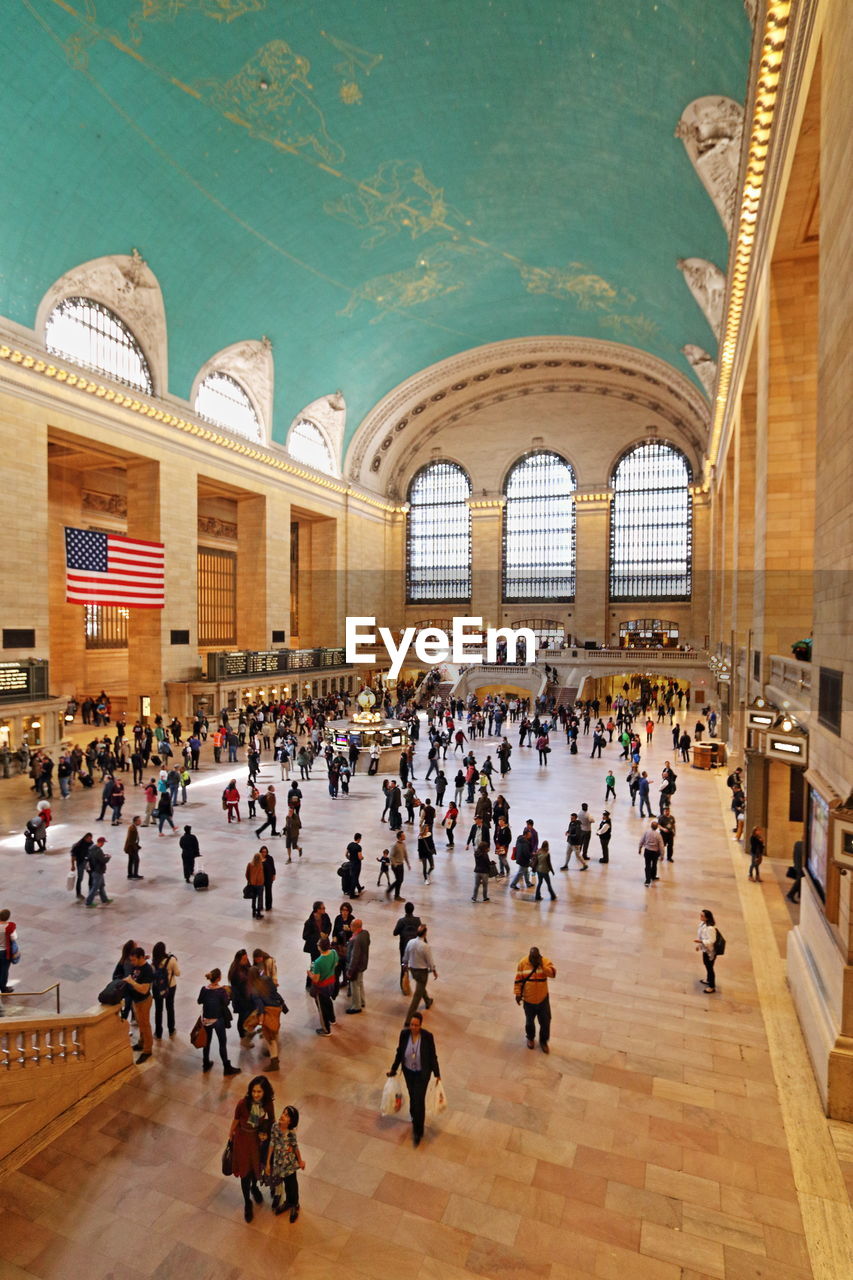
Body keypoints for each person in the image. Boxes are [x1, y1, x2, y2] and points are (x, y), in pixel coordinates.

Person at [386, 1012, 441, 1147]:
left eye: (416, 1025)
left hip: (422, 1074)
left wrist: (437, 1073)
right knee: (412, 1095)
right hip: (409, 1072)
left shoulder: (427, 1037)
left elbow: (433, 1056)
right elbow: (399, 1053)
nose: (413, 1027)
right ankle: (414, 1114)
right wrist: (393, 1069)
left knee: (419, 1100)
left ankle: (418, 1131)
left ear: (420, 1025)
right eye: (411, 1024)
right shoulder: (404, 1035)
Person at [228, 1076, 275, 1222]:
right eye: (253, 1091)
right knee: (245, 1172)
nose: (256, 1094)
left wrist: (265, 1131)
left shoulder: (267, 1104)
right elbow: (236, 1119)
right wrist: (231, 1134)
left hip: (256, 1141)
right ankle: (247, 1201)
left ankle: (254, 1187)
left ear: (265, 1092)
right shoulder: (243, 1103)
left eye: (259, 1092)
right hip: (242, 1140)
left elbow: (272, 1120)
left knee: (255, 1169)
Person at [198, 967, 242, 1075]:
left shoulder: (204, 989)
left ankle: (206, 1063)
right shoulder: (221, 991)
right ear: (218, 978)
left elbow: (199, 1001)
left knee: (206, 1043)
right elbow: (226, 1003)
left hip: (206, 1020)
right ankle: (227, 1068)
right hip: (218, 1020)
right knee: (222, 1044)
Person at [265, 1104, 305, 1221]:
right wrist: (268, 1162)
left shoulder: (291, 1133)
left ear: (291, 1121)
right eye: (283, 1112)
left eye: (287, 1115)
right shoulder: (275, 1127)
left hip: (290, 1165)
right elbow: (272, 1143)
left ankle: (294, 1204)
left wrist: (300, 1160)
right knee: (285, 1184)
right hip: (279, 1163)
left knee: (292, 1185)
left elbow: (295, 1147)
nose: (283, 1116)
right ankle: (288, 1201)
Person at [514, 945, 556, 1052]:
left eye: (536, 958)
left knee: (546, 1021)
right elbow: (518, 980)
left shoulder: (545, 962)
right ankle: (530, 1038)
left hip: (543, 1000)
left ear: (539, 956)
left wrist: (542, 966)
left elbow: (553, 974)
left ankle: (543, 1041)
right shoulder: (523, 963)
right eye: (532, 958)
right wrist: (517, 994)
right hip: (529, 1001)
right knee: (529, 1022)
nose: (534, 960)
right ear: (529, 957)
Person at [123, 946, 154, 1064]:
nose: (132, 962)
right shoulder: (136, 966)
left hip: (144, 1001)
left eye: (134, 960)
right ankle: (141, 1043)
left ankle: (147, 1050)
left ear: (141, 958)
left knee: (145, 1025)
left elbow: (144, 990)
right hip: (136, 1001)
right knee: (141, 1024)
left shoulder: (147, 970)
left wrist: (131, 982)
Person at [402, 923, 437, 1022]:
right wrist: (434, 971)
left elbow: (405, 957)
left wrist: (404, 966)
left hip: (413, 970)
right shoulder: (425, 946)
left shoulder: (410, 942)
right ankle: (408, 1020)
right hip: (422, 972)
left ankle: (428, 1001)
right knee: (417, 997)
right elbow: (430, 961)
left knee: (420, 987)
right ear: (425, 934)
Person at [308, 934, 338, 1036]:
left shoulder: (318, 962)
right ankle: (332, 1019)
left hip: (322, 987)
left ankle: (326, 1029)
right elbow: (336, 964)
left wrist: (310, 974)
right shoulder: (333, 952)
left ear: (320, 947)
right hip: (331, 982)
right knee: (328, 1001)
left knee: (322, 1008)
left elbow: (316, 979)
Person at [151, 940, 180, 1038]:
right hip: (170, 986)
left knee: (158, 1010)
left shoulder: (154, 961)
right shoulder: (171, 960)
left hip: (157, 988)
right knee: (170, 1007)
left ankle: (158, 1032)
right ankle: (171, 1029)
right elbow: (178, 973)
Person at [345, 917, 370, 1013]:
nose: (350, 926)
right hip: (363, 964)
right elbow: (368, 943)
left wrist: (350, 971)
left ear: (355, 927)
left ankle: (356, 1006)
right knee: (360, 983)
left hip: (356, 966)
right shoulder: (365, 933)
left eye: (351, 925)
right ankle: (362, 1001)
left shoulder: (355, 939)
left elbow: (354, 957)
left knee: (354, 985)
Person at [695, 909, 719, 993]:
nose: (700, 917)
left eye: (702, 916)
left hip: (710, 952)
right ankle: (708, 980)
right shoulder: (702, 924)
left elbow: (712, 940)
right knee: (706, 965)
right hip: (705, 949)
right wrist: (699, 945)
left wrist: (701, 942)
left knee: (709, 968)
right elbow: (701, 936)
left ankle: (711, 986)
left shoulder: (710, 928)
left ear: (707, 918)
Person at [85, 838, 112, 907]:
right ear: (101, 842)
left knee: (101, 885)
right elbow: (103, 861)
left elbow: (95, 857)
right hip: (98, 871)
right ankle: (88, 902)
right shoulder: (98, 850)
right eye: (103, 842)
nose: (103, 844)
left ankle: (104, 899)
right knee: (95, 887)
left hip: (94, 870)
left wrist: (103, 855)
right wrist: (108, 857)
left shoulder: (92, 848)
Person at [638, 821, 665, 887]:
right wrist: (662, 855)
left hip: (647, 851)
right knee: (654, 864)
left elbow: (641, 840)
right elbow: (661, 846)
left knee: (647, 865)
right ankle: (653, 876)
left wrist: (640, 848)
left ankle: (647, 880)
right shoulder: (658, 835)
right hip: (655, 852)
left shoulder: (647, 832)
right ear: (657, 827)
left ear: (651, 826)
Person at [70, 832, 95, 899]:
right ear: (85, 838)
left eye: (91, 838)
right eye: (89, 838)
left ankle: (91, 890)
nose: (90, 840)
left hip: (87, 862)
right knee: (80, 878)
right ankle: (78, 893)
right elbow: (73, 856)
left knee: (91, 875)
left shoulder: (91, 843)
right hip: (80, 862)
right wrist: (73, 865)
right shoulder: (78, 845)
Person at [0, 909, 17, 997]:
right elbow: (13, 938)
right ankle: (3, 988)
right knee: (4, 971)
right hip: (4, 953)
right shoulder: (9, 927)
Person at [245, 853, 265, 919]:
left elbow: (247, 874)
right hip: (260, 885)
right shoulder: (261, 865)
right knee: (259, 898)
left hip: (252, 884)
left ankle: (253, 912)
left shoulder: (250, 864)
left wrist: (250, 880)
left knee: (253, 898)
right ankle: (258, 913)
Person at [260, 845, 277, 912]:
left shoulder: (270, 858)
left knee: (268, 892)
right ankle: (260, 906)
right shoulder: (258, 858)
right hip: (261, 878)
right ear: (260, 852)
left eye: (265, 852)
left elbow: (273, 867)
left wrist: (274, 875)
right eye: (263, 852)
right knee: (260, 893)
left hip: (268, 878)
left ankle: (268, 906)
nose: (264, 853)